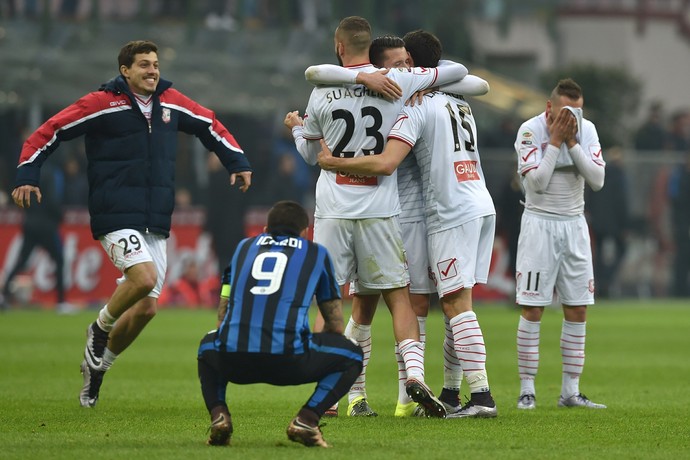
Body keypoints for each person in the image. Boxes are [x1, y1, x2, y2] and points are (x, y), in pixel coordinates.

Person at [10, 40, 253, 408]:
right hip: (115, 213)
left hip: (155, 219)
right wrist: (28, 172)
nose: (152, 70)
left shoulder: (171, 101)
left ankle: (98, 367)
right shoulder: (101, 103)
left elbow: (209, 124)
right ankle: (99, 328)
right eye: (143, 64)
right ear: (125, 70)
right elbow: (52, 129)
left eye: (155, 64)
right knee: (143, 277)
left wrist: (237, 161)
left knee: (147, 309)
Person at [285, 16, 471, 419]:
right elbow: (461, 73)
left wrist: (298, 130)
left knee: (331, 301)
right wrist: (384, 78)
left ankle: (327, 394)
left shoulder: (321, 93)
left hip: (333, 211)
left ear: (339, 47)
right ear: (372, 51)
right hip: (382, 210)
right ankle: (415, 377)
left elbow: (309, 156)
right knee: (399, 298)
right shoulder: (399, 84)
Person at [317, 29, 499, 419]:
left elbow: (386, 162)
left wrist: (329, 160)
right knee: (373, 306)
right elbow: (476, 81)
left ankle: (452, 395)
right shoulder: (451, 98)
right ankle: (356, 396)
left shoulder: (413, 99)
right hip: (431, 207)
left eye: (406, 62)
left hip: (430, 212)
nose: (402, 70)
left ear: (416, 65)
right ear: (378, 67)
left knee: (437, 302)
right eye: (395, 65)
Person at [197, 200, 362, 448]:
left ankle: (219, 415)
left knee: (207, 346)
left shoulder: (244, 247)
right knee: (352, 354)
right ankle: (307, 419)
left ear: (265, 229)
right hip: (289, 360)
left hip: (235, 359)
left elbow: (222, 317)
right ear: (305, 232)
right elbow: (335, 324)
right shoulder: (315, 253)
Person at [513, 78, 606, 410]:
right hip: (539, 224)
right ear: (549, 107)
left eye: (578, 112)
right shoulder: (529, 131)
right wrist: (555, 142)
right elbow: (535, 184)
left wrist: (573, 143)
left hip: (574, 225)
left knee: (578, 307)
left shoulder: (587, 130)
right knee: (533, 307)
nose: (572, 119)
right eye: (566, 112)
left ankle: (570, 391)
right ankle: (527, 389)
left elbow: (597, 180)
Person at [1, 161, 75, 314]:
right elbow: (53, 200)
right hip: (46, 225)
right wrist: (59, 216)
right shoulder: (54, 173)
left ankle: (3, 295)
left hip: (29, 222)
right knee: (59, 260)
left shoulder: (29, 171)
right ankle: (61, 302)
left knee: (22, 261)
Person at [586, 146, 629, 298]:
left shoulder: (599, 174)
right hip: (615, 223)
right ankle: (606, 278)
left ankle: (597, 282)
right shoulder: (620, 177)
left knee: (598, 255)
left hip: (598, 222)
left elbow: (590, 197)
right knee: (622, 249)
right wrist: (624, 225)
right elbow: (622, 202)